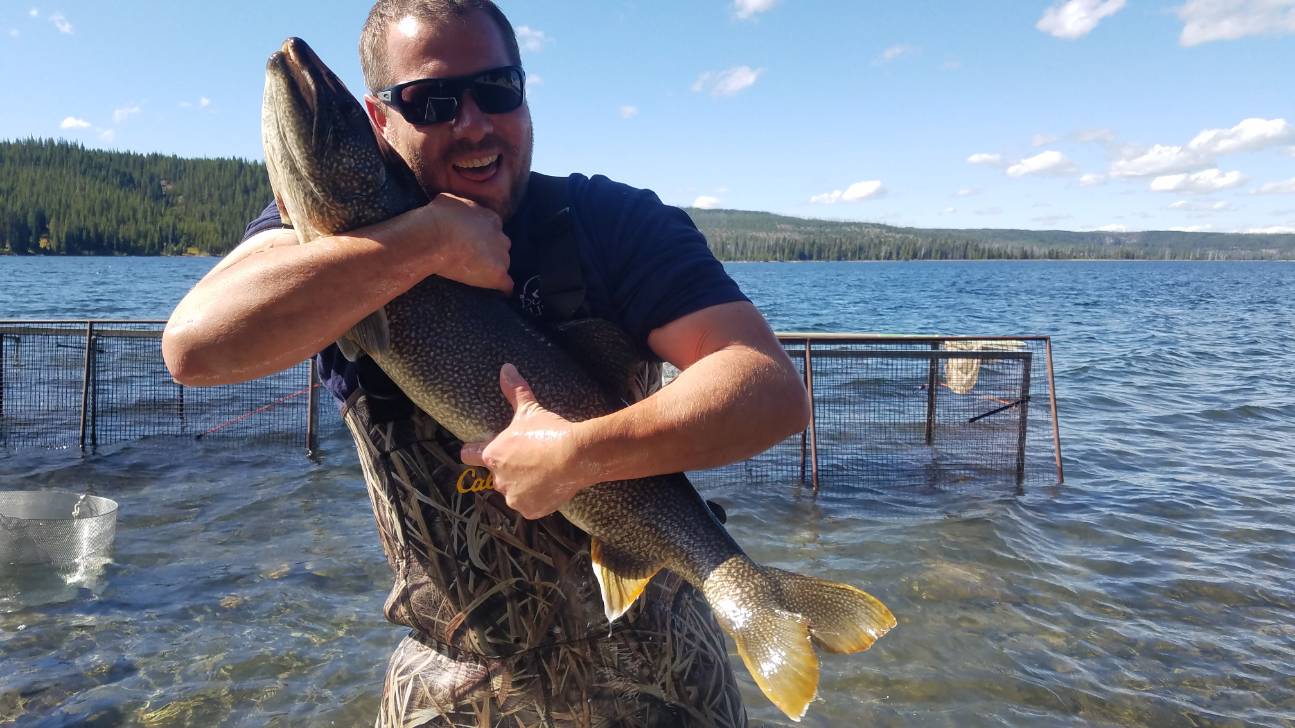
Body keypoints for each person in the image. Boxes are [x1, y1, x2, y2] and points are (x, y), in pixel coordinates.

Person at [163, 1, 809, 725]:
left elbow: (768, 389)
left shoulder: (613, 222)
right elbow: (194, 349)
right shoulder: (317, 247)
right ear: (378, 122)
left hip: (669, 683)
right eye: (431, 101)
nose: (472, 123)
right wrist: (428, 242)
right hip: (452, 691)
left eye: (496, 89)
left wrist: (580, 454)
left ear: (525, 92)